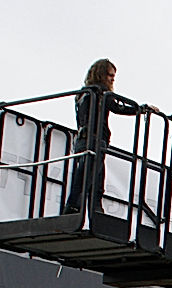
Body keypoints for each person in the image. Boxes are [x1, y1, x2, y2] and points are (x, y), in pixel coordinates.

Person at [64, 59, 152, 214]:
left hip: (82, 139)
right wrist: (141, 109)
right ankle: (85, 209)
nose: (112, 79)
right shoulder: (101, 92)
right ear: (101, 75)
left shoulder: (82, 93)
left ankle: (82, 208)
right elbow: (118, 107)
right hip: (96, 139)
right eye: (110, 75)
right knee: (94, 178)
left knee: (87, 174)